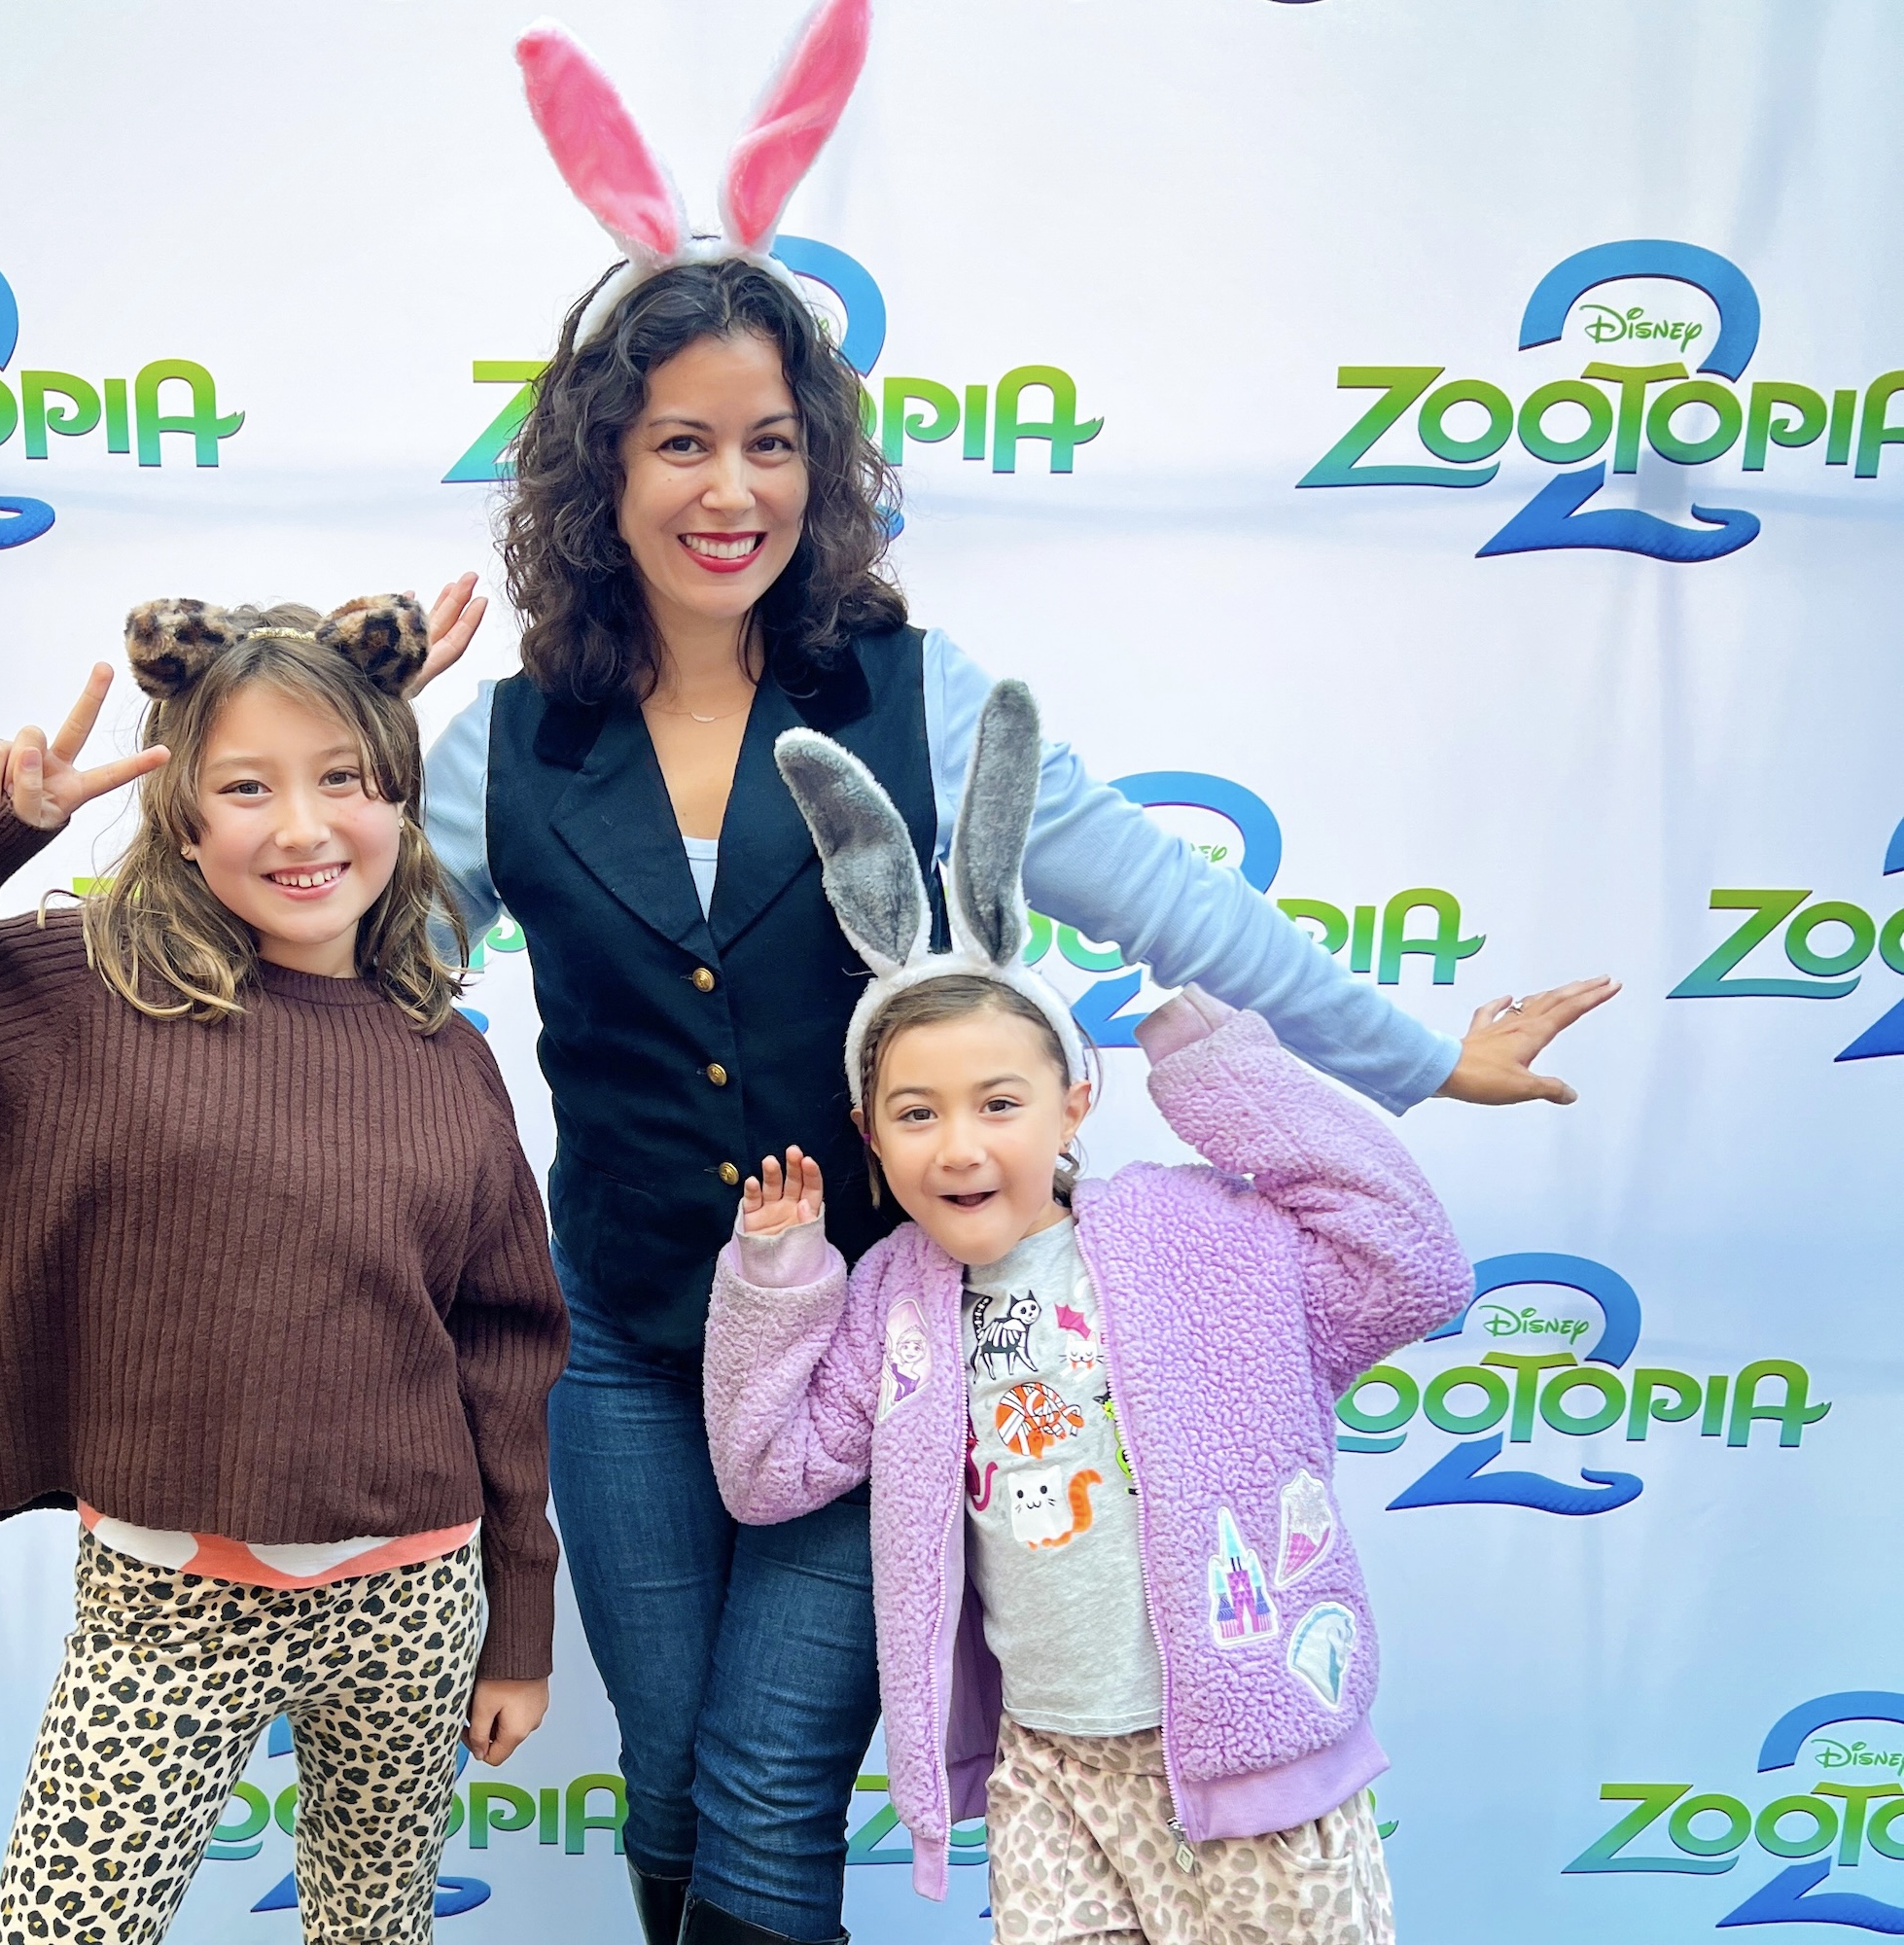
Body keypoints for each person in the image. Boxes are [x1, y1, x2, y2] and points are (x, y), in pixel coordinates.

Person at [398, 8, 1611, 1940]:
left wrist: (1415, 1060)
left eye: (772, 443)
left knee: (772, 1765)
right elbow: (352, 969)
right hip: (626, 1339)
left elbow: (1163, 899)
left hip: (885, 1340)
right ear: (601, 474)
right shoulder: (501, 742)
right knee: (667, 1768)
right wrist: (328, 746)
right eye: (681, 442)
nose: (731, 487)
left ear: (821, 467)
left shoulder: (913, 693)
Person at [0, 596, 568, 1945]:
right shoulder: (74, 990)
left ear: (398, 803)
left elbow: (506, 1350)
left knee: (374, 1924)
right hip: (170, 1603)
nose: (301, 828)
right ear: (179, 816)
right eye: (246, 786)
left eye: (343, 779)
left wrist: (520, 1617)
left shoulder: (443, 1057)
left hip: (415, 1599)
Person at [703, 685, 1472, 1945]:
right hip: (1047, 1776)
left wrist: (1218, 1069)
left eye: (999, 1103)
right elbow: (769, 1471)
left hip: (1247, 1772)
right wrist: (778, 1288)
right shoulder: (900, 1297)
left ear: (1074, 1102)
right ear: (869, 1136)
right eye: (917, 1113)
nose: (960, 1145)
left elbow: (1412, 1265)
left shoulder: (1194, 1235)